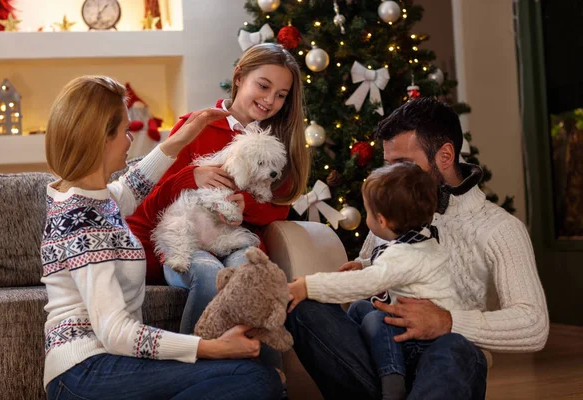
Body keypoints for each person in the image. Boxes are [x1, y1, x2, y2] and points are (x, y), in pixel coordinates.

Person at [285, 97, 549, 400]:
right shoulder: (393, 205)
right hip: (384, 360)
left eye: (405, 165)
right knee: (302, 305)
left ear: (446, 155)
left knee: (456, 347)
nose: (393, 176)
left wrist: (449, 322)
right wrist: (363, 268)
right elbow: (375, 273)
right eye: (389, 165)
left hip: (445, 364)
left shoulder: (501, 229)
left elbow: (534, 325)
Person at [41, 75, 283, 399]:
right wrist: (210, 348)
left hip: (108, 363)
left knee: (254, 378)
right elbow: (115, 332)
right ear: (100, 138)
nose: (131, 140)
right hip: (86, 373)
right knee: (255, 381)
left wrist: (181, 138)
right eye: (125, 131)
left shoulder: (96, 197)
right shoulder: (81, 219)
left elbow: (133, 186)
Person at [126, 43, 309, 339]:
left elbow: (279, 207)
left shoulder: (276, 141)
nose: (269, 100)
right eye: (263, 86)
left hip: (234, 242)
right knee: (209, 275)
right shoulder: (195, 125)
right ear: (239, 78)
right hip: (186, 240)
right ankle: (200, 366)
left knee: (248, 278)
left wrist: (246, 203)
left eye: (281, 95)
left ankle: (255, 378)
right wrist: (191, 176)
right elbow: (152, 201)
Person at [288, 162, 474, 400]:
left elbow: (368, 282)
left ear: (381, 221)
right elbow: (400, 265)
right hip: (419, 337)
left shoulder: (404, 255)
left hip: (417, 344)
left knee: (377, 317)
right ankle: (372, 360)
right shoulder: (423, 241)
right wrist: (365, 263)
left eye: (366, 212)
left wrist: (307, 286)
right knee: (361, 308)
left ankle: (392, 381)